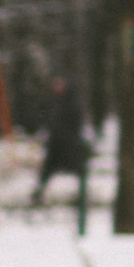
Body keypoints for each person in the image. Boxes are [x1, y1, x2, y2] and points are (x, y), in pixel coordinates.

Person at [33, 77, 90, 206]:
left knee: (78, 170)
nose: (57, 87)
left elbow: (76, 123)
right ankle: (38, 193)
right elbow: (50, 119)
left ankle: (82, 196)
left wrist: (66, 135)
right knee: (47, 169)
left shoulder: (73, 103)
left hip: (69, 143)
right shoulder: (55, 102)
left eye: (60, 85)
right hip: (56, 143)